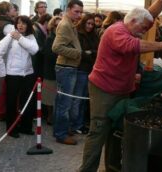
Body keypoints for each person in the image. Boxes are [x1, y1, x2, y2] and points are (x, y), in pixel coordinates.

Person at [78, 0, 162, 171]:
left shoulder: (135, 23)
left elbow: (149, 14)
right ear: (133, 21)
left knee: (115, 132)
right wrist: (161, 45)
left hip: (121, 90)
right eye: (143, 28)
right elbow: (133, 46)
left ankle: (111, 168)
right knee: (98, 132)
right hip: (104, 89)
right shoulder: (116, 31)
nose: (144, 31)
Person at [0, 15, 39, 138]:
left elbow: (34, 50)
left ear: (28, 25)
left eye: (24, 23)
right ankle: (11, 129)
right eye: (19, 23)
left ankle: (26, 126)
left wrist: (20, 38)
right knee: (11, 102)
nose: (21, 25)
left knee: (27, 102)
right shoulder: (10, 36)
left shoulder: (30, 37)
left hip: (28, 74)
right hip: (13, 74)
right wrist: (3, 73)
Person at [52, 0, 83, 145]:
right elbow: (56, 47)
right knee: (64, 103)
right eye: (76, 11)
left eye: (80, 12)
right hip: (65, 68)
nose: (79, 15)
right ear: (69, 9)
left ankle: (61, 130)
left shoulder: (70, 24)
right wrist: (77, 53)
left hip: (67, 67)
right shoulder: (65, 25)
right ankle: (61, 134)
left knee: (62, 102)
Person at [75, 13, 99, 134]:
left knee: (84, 99)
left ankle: (80, 123)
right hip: (81, 69)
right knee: (79, 98)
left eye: (92, 24)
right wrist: (88, 53)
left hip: (90, 69)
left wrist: (91, 52)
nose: (90, 26)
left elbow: (97, 50)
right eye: (88, 23)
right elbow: (80, 52)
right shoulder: (78, 34)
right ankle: (76, 124)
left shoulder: (94, 35)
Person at [0, 1, 16, 121]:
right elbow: (16, 38)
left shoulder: (1, 22)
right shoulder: (7, 26)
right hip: (4, 58)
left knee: (1, 86)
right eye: (12, 9)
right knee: (3, 87)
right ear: (7, 12)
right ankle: (1, 112)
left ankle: (0, 111)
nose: (14, 10)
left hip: (2, 58)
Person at [42, 16, 62, 125]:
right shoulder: (50, 38)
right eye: (56, 25)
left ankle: (53, 115)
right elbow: (48, 55)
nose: (58, 27)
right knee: (49, 95)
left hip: (58, 69)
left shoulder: (61, 37)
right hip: (50, 70)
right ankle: (49, 116)